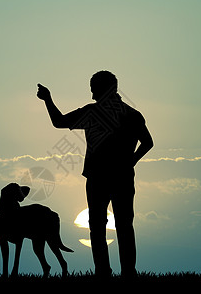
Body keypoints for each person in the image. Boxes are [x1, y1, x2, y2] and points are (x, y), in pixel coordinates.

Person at [37, 71, 153, 278]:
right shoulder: (132, 114)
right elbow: (148, 143)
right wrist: (131, 162)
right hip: (122, 177)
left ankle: (103, 273)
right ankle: (128, 272)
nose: (91, 93)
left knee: (98, 227)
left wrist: (48, 99)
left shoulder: (94, 113)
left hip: (98, 178)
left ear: (103, 89)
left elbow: (59, 122)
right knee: (124, 225)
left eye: (94, 88)